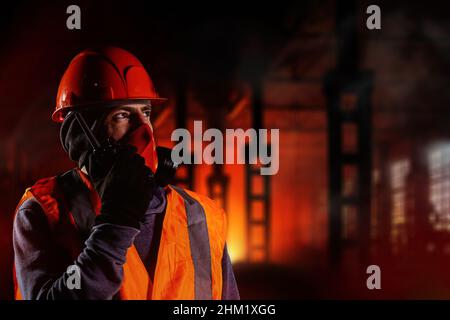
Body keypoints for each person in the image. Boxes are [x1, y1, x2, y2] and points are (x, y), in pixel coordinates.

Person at [12, 47, 240, 300]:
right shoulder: (43, 212)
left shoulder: (203, 216)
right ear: (79, 133)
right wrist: (115, 225)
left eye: (146, 112)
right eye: (121, 115)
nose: (144, 130)